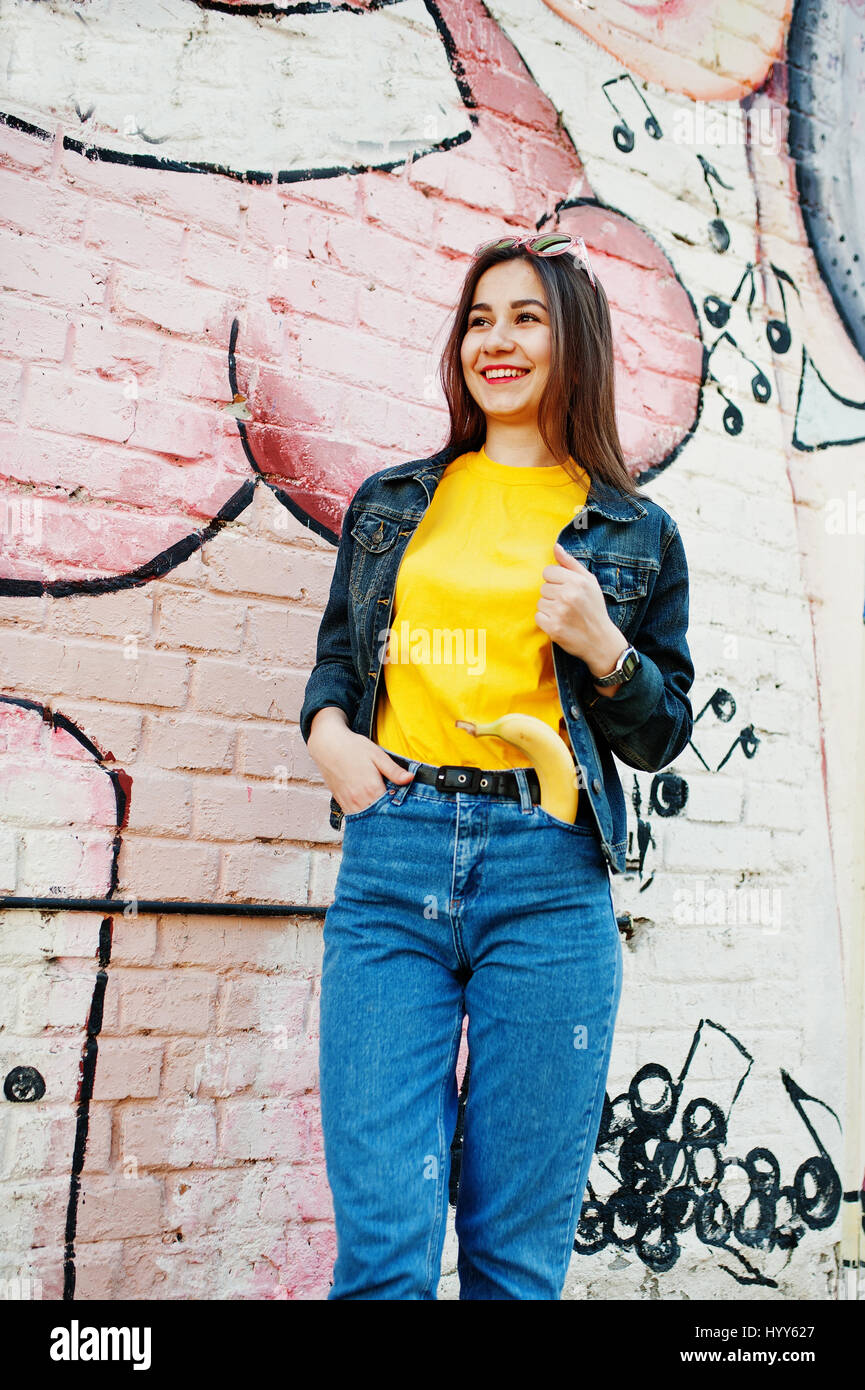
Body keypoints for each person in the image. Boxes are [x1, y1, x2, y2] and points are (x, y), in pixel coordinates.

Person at [299, 230, 694, 1300]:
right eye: (479, 319)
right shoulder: (394, 503)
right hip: (394, 865)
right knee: (383, 1249)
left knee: (512, 1267)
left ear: (574, 342)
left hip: (547, 874)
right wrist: (331, 739)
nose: (497, 340)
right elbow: (339, 665)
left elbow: (660, 737)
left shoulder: (634, 533)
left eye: (525, 317)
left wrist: (603, 645)